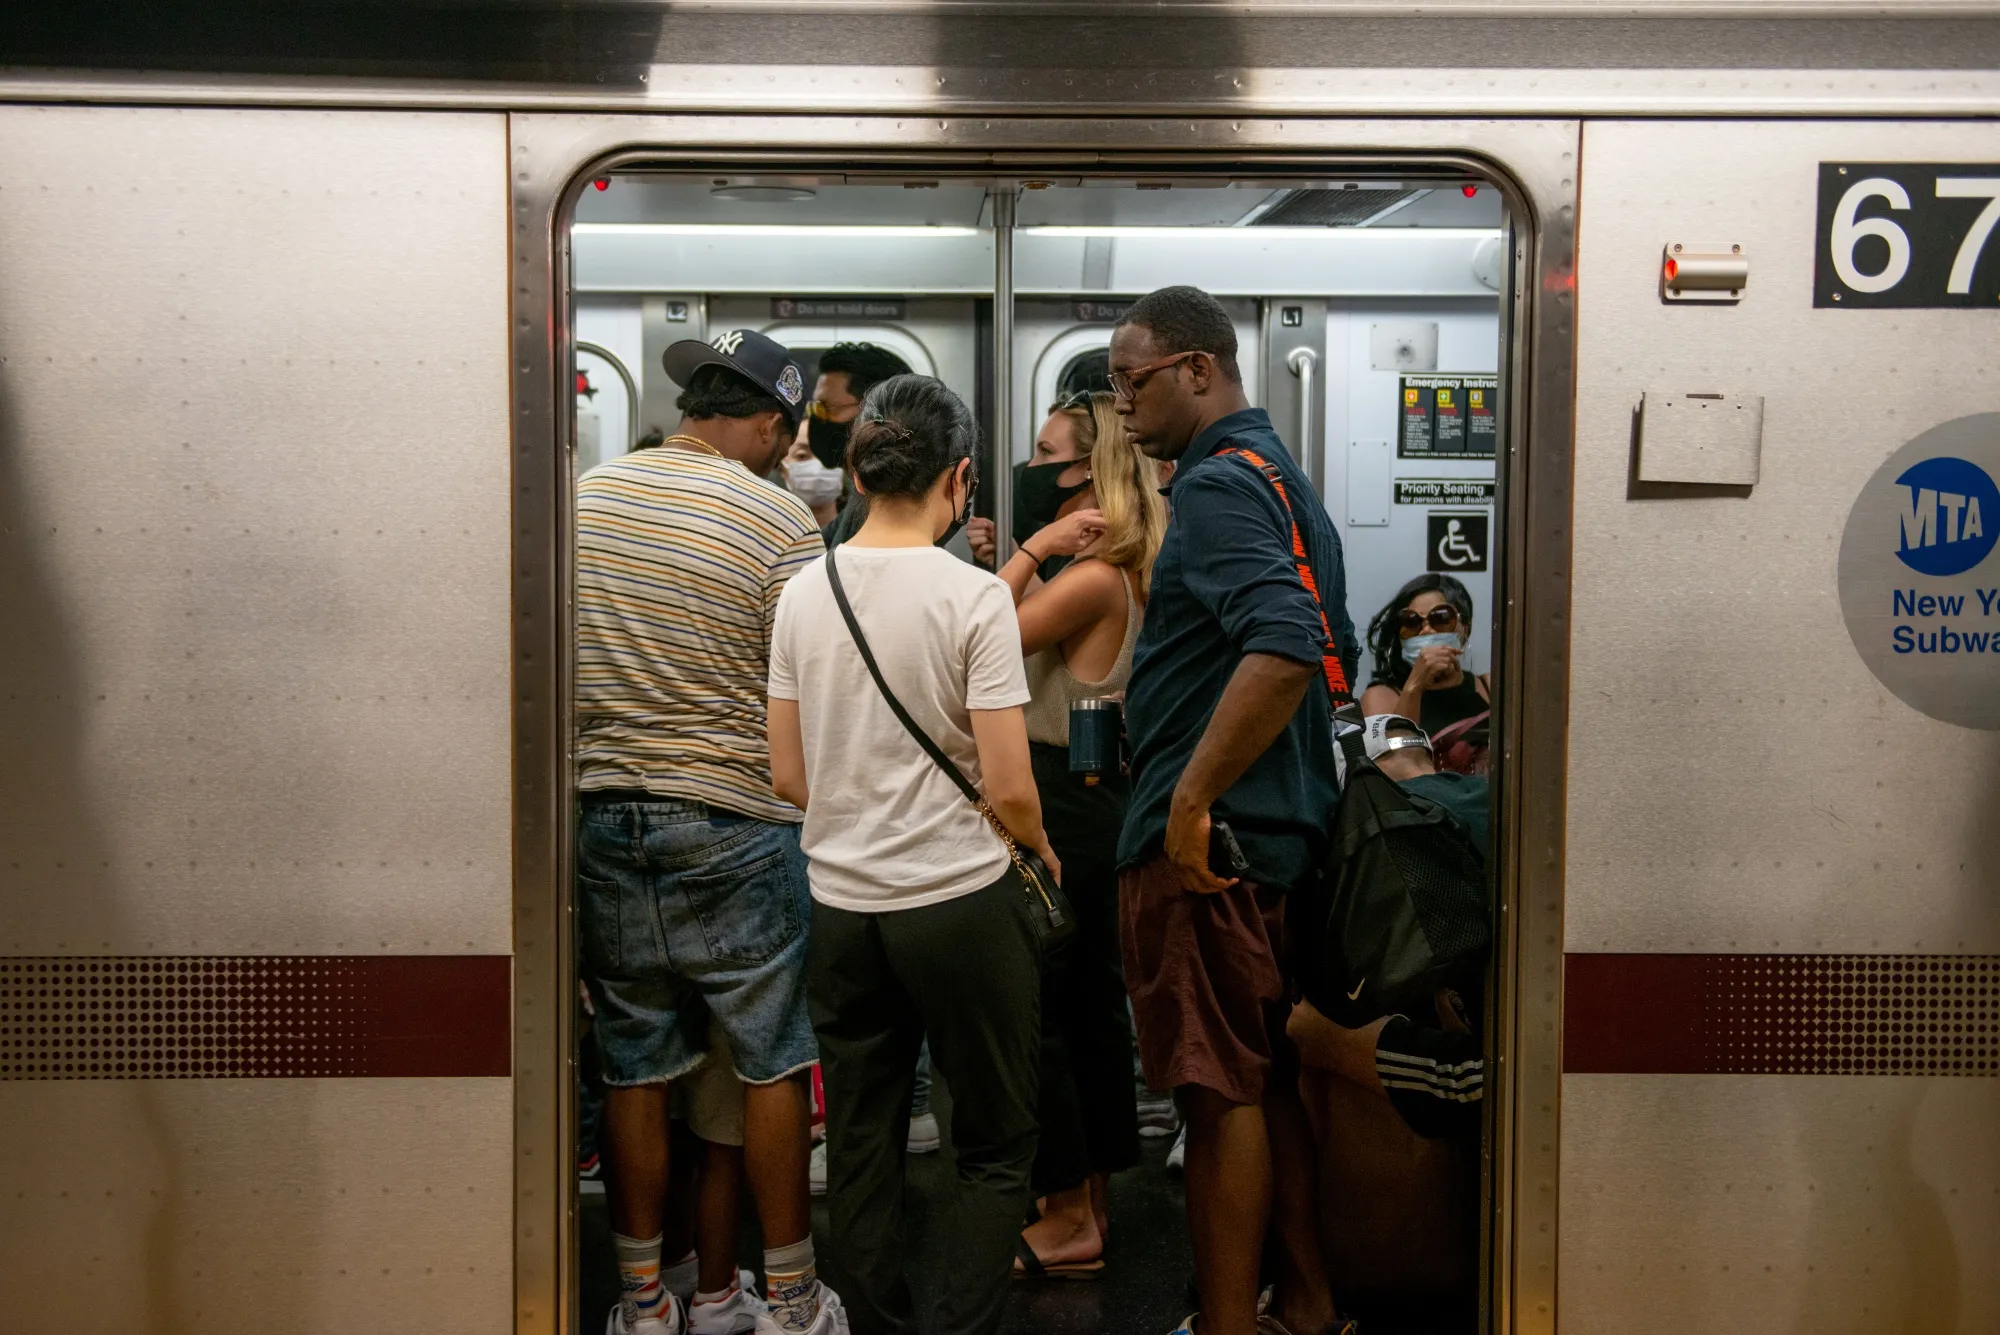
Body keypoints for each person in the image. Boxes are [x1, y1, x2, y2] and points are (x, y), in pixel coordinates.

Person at [767, 374, 1060, 1335]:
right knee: (990, 1144)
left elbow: (787, 772)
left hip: (844, 910)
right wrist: (1039, 845)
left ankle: (878, 1325)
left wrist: (859, 817)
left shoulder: (805, 595)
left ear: (856, 468)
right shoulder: (974, 597)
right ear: (961, 476)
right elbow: (1012, 786)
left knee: (859, 1141)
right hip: (962, 902)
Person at [575, 327, 842, 1335]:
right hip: (735, 820)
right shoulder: (779, 523)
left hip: (604, 815)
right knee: (772, 1055)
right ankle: (788, 1298)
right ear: (773, 424)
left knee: (634, 1062)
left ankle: (647, 1303)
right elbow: (803, 685)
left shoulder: (585, 496)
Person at [1109, 285, 1360, 1335]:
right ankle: (1300, 1303)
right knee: (1262, 1082)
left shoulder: (1215, 486)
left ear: (1198, 368)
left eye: (1134, 379)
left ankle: (1224, 1325)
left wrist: (1188, 796)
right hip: (1272, 833)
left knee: (1214, 1096)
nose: (1120, 404)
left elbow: (1287, 639)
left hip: (1213, 846)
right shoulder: (1274, 472)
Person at [993, 390, 1162, 1278]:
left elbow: (977, 642)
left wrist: (1026, 553)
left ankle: (1064, 1212)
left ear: (1087, 474)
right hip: (1103, 800)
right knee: (1092, 1009)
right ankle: (1091, 1198)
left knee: (1048, 1013)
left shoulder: (1092, 576)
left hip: (1066, 797)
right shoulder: (1128, 566)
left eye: (1046, 451)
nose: (1032, 465)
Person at [1358, 575, 1491, 768]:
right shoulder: (1381, 697)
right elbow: (1393, 770)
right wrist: (1415, 686)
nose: (1427, 630)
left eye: (1441, 618)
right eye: (1411, 622)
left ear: (1465, 629)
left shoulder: (1490, 688)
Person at [781, 342, 914, 535]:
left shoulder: (897, 507)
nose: (819, 421)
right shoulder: (863, 495)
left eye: (828, 408)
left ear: (874, 412)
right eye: (817, 408)